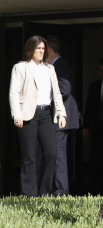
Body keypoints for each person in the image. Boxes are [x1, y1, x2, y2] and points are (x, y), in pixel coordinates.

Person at [9, 35, 66, 197]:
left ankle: (44, 192)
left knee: (51, 153)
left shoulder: (50, 69)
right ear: (30, 50)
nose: (41, 51)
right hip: (28, 115)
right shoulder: (20, 68)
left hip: (46, 114)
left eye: (43, 49)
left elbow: (57, 92)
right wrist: (16, 114)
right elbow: (14, 93)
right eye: (38, 48)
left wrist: (61, 113)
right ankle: (29, 194)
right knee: (30, 155)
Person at [46, 39, 79, 196]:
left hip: (61, 116)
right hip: (60, 116)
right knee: (56, 153)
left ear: (50, 50)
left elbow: (64, 90)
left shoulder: (60, 66)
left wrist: (45, 97)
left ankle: (61, 191)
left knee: (58, 154)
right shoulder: (58, 65)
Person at [82, 57, 103, 195]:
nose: (102, 74)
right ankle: (96, 189)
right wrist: (86, 126)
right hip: (97, 128)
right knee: (96, 158)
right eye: (101, 71)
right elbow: (89, 106)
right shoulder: (94, 86)